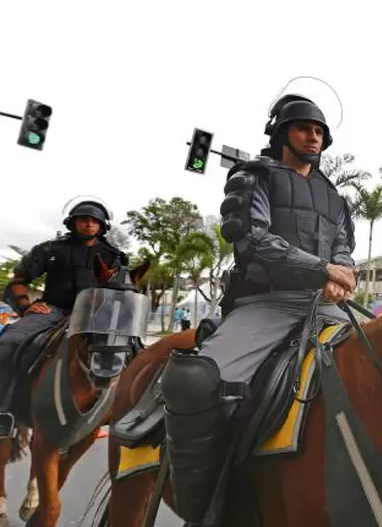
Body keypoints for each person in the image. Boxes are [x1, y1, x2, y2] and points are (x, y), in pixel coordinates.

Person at [157, 94, 359, 524]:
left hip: (325, 307)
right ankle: (202, 504)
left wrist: (343, 275)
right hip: (266, 304)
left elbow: (344, 250)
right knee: (199, 382)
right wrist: (322, 269)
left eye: (319, 131)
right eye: (305, 127)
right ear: (282, 132)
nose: (313, 136)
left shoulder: (334, 196)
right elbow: (253, 240)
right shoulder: (254, 176)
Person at [0, 199, 128, 415]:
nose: (89, 224)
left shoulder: (114, 257)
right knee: (7, 342)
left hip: (94, 317)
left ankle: (121, 411)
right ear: (72, 223)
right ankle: (3, 409)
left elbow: (121, 293)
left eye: (94, 221)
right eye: (83, 220)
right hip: (52, 311)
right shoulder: (49, 249)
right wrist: (25, 307)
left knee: (131, 353)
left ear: (102, 226)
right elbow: (18, 282)